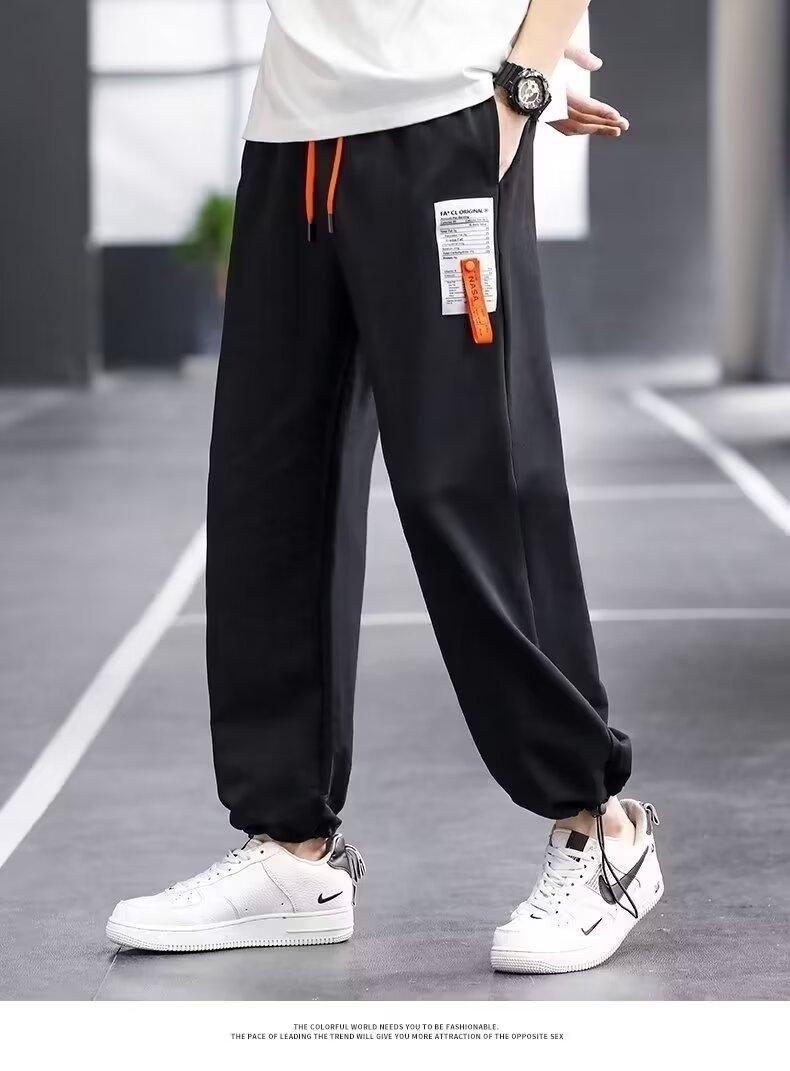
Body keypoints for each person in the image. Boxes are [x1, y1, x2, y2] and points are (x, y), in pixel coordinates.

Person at [107, 0, 664, 975]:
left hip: (445, 123)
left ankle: (599, 827)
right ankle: (293, 850)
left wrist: (524, 76)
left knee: (472, 479)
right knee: (270, 490)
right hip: (293, 130)